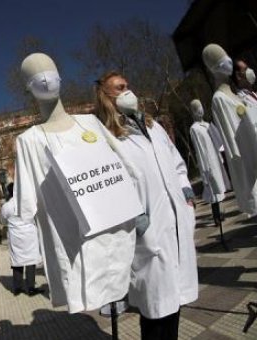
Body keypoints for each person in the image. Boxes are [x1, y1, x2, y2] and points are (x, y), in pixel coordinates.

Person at [13, 53, 141, 314]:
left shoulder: (90, 123)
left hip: (119, 230)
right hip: (76, 244)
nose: (45, 78)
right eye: (36, 74)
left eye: (49, 70)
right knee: (91, 287)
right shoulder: (28, 141)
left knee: (127, 279)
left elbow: (126, 166)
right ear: (28, 86)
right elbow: (25, 207)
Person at [95, 71, 198, 340]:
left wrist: (186, 193)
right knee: (155, 312)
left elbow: (176, 164)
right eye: (119, 88)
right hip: (148, 231)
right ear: (106, 96)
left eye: (128, 85)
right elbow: (112, 187)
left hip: (175, 221)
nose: (128, 91)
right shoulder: (108, 137)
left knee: (174, 304)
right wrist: (139, 221)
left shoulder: (153, 126)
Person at [202, 44, 257, 218]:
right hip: (249, 165)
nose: (227, 60)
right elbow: (233, 141)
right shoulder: (219, 99)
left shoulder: (234, 95)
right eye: (221, 57)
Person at [188, 100, 230, 228]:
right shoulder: (194, 129)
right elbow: (199, 148)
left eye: (200, 107)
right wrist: (204, 166)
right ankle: (216, 216)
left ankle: (221, 212)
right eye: (197, 108)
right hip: (208, 162)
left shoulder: (207, 125)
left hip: (216, 159)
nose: (200, 110)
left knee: (220, 188)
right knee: (212, 190)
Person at [0, 183, 43, 296]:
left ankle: (17, 288)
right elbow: (36, 214)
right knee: (30, 261)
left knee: (17, 261)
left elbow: (3, 221)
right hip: (29, 235)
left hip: (16, 237)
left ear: (9, 192)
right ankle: (30, 288)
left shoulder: (6, 206)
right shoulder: (28, 202)